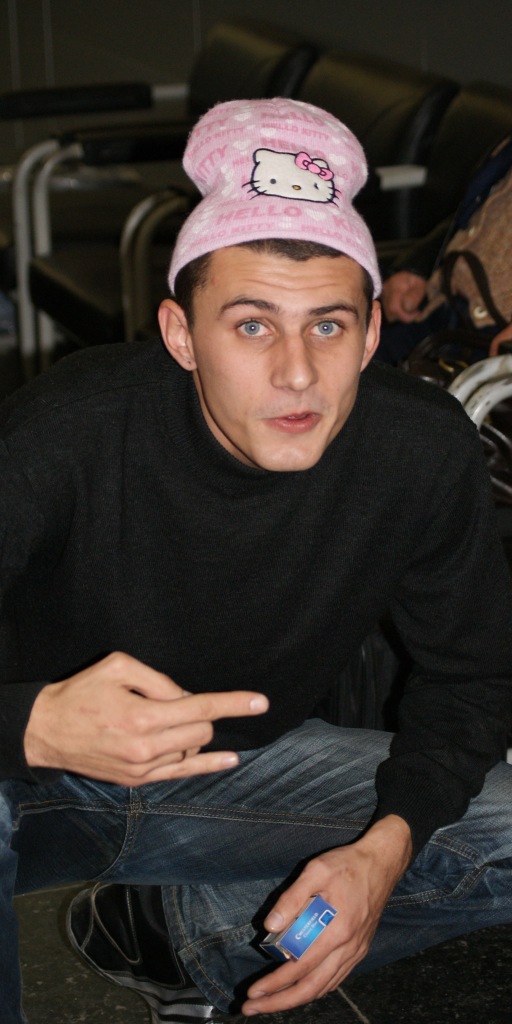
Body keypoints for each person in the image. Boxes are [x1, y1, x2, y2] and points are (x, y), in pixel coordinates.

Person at [1, 97, 511, 1024]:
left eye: (328, 326)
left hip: (238, 778)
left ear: (370, 333)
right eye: (251, 325)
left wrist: (386, 851)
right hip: (32, 779)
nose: (297, 373)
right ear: (180, 335)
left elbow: (472, 681)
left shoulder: (420, 451)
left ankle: (180, 932)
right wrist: (30, 725)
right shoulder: (67, 431)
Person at [377, 134, 512, 365]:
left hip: (494, 341)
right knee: (341, 363)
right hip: (441, 309)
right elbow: (479, 218)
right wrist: (418, 267)